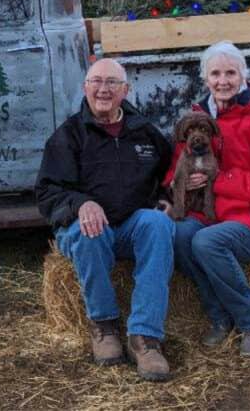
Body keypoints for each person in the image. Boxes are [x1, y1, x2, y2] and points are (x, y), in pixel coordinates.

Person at [35, 58, 175, 382]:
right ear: (85, 88)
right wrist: (81, 203)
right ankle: (105, 326)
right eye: (96, 81)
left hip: (129, 226)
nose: (103, 89)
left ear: (125, 90)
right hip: (85, 229)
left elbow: (168, 176)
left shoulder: (145, 133)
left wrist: (167, 201)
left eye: (112, 82)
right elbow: (46, 192)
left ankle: (145, 337)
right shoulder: (68, 136)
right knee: (90, 231)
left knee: (158, 225)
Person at [164, 41, 250, 358]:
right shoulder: (196, 121)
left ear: (244, 77)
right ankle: (219, 317)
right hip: (211, 215)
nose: (223, 81)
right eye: (215, 73)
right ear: (205, 78)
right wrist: (180, 183)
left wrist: (220, 180)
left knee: (207, 242)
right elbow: (172, 173)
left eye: (231, 73)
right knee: (179, 236)